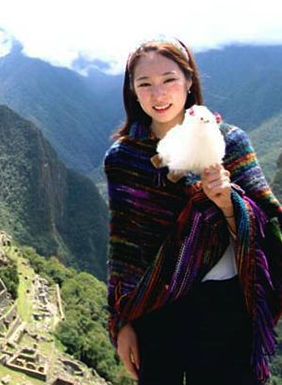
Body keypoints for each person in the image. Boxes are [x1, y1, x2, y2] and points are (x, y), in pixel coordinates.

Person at [105, 37, 282, 384]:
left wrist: (227, 203)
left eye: (169, 80)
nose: (159, 95)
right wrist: (123, 322)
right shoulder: (124, 160)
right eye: (146, 84)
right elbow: (123, 248)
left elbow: (269, 225)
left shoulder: (229, 142)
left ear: (188, 81)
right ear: (133, 90)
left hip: (226, 310)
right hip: (156, 310)